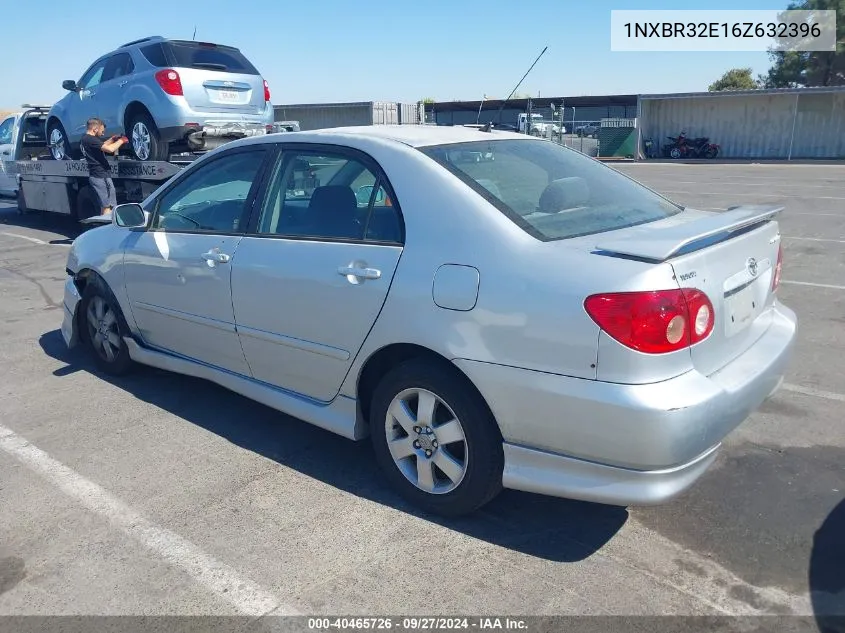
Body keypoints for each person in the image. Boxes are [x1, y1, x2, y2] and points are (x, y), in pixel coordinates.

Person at [79, 118, 128, 215]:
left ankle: (104, 226)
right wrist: (122, 140)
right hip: (101, 176)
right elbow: (110, 149)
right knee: (108, 206)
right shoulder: (90, 139)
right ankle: (107, 228)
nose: (103, 133)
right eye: (102, 131)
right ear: (95, 129)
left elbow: (101, 145)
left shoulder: (84, 139)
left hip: (97, 175)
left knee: (104, 206)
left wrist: (113, 139)